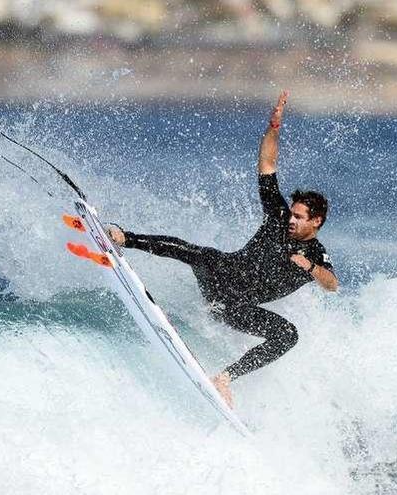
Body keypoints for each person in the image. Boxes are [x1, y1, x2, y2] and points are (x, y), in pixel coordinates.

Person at [109, 90, 338, 407]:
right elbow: (268, 163)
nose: (291, 220)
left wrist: (310, 268)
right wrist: (274, 127)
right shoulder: (278, 215)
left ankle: (225, 378)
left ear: (317, 222)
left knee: (288, 335)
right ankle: (124, 238)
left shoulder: (316, 255)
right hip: (222, 274)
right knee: (197, 252)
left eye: (299, 218)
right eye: (293, 214)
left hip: (238, 307)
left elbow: (332, 284)